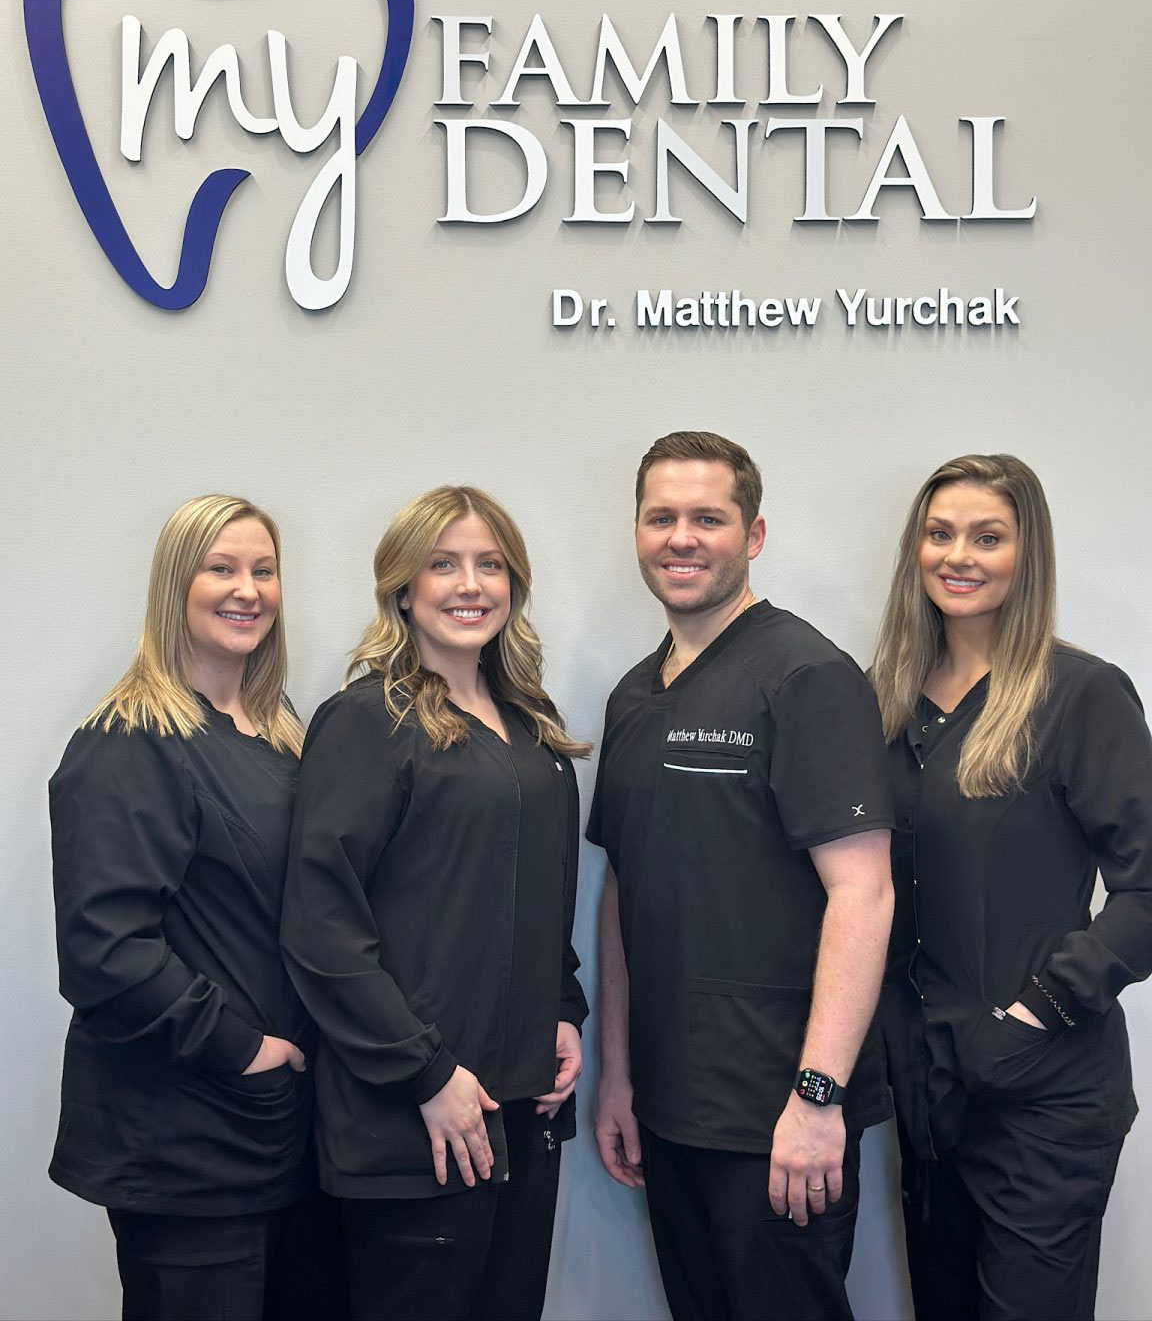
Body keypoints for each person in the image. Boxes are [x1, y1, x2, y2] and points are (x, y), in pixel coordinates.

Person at [589, 430, 895, 1321]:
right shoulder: (634, 695)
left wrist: (816, 1097)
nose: (681, 537)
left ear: (753, 535)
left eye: (707, 518)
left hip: (777, 1113)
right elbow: (623, 890)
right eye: (661, 518)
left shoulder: (807, 676)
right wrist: (618, 1073)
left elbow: (863, 892)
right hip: (669, 1104)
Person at [280, 485, 589, 1321]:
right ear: (403, 588)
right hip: (412, 1117)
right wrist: (425, 1074)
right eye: (444, 564)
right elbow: (319, 927)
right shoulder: (365, 721)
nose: (469, 584)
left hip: (520, 1105)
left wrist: (564, 1008)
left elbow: (539, 894)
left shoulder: (529, 726)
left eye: (490, 565)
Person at [872, 453, 1152, 1321]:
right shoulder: (882, 703)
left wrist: (1037, 1011)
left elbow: (1147, 893)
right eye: (940, 533)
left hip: (1045, 1098)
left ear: (1026, 557)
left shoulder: (1082, 694)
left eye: (988, 537)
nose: (959, 556)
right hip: (928, 1090)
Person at [48, 495, 318, 1321]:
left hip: (275, 1137)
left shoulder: (279, 735)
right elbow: (105, 952)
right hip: (184, 1142)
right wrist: (243, 1051)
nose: (247, 590)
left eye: (263, 571)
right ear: (176, 584)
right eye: (222, 568)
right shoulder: (129, 739)